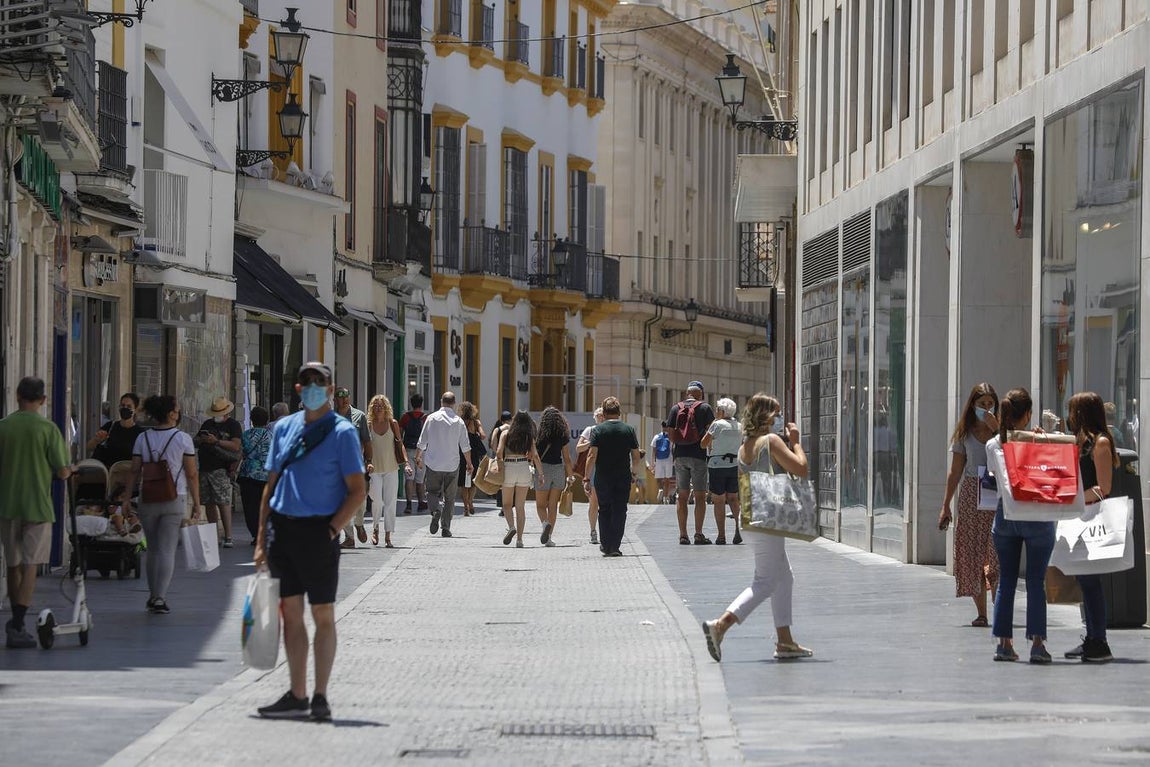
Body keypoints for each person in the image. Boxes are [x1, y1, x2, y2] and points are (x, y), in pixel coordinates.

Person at [254, 362, 366, 721]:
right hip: (283, 530)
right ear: (298, 390)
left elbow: (357, 491)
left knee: (323, 614)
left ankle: (320, 695)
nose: (314, 387)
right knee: (290, 615)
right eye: (307, 382)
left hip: (319, 531)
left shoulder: (342, 432)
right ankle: (297, 693)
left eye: (321, 382)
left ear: (332, 389)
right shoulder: (284, 428)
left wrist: (332, 530)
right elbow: (270, 487)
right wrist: (260, 539)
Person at [701, 393, 812, 662]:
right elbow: (801, 469)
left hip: (752, 516)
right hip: (766, 520)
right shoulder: (770, 441)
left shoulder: (745, 445)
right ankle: (720, 626)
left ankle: (785, 641)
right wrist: (796, 442)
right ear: (764, 416)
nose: (778, 419)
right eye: (775, 413)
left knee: (784, 578)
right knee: (765, 582)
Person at [0, 377, 75, 648]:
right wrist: (67, 471)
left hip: (7, 504)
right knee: (32, 563)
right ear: (43, 400)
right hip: (37, 506)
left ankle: (15, 622)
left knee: (13, 563)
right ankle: (18, 622)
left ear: (17, 395)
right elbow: (62, 469)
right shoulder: (48, 429)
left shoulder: (4, 427)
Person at [988, 387, 1055, 664]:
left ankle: (1004, 643)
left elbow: (995, 477)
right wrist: (1043, 441)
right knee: (1036, 581)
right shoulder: (1038, 441)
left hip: (1006, 515)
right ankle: (1037, 644)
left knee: (1006, 580)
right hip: (1037, 515)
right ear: (1027, 414)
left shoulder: (993, 444)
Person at [124, 395, 200, 614]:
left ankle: (152, 594)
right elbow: (192, 473)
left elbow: (134, 470)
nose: (179, 413)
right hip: (175, 498)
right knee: (167, 549)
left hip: (148, 497)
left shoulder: (142, 438)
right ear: (170, 414)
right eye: (177, 410)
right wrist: (197, 503)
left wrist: (127, 498)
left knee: (154, 549)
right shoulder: (183, 439)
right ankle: (160, 597)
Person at [938, 383, 1001, 627]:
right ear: (972, 405)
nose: (986, 408)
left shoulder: (1003, 432)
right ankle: (982, 613)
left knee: (997, 552)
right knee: (972, 551)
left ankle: (999, 609)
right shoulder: (964, 434)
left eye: (989, 403)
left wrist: (998, 432)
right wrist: (946, 505)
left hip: (996, 494)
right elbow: (954, 472)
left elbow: (1013, 454)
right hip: (972, 494)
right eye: (981, 404)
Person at [1063, 392, 1118, 663]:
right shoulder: (1083, 442)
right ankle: (1093, 637)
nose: (1069, 417)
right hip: (1080, 517)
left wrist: (1075, 498)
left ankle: (1099, 641)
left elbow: (1104, 487)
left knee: (1091, 582)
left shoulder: (1101, 443)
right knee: (1085, 581)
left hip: (1093, 517)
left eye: (1072, 411)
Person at [582, 397, 641, 557]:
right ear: (619, 412)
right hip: (622, 476)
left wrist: (586, 478)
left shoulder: (598, 430)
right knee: (620, 510)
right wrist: (634, 474)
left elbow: (591, 456)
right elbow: (636, 456)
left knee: (605, 509)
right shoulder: (628, 430)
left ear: (604, 412)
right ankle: (615, 546)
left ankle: (605, 544)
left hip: (603, 477)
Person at [414, 392, 472, 538]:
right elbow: (465, 446)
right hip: (452, 465)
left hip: (434, 464)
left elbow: (422, 441)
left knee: (432, 492)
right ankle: (446, 528)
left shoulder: (431, 418)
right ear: (454, 403)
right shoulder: (459, 421)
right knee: (450, 498)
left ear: (441, 401)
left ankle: (435, 511)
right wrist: (470, 463)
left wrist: (418, 457)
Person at [667, 381, 716, 545]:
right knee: (700, 496)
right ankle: (698, 533)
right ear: (700, 393)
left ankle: (683, 535)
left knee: (682, 496)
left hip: (680, 456)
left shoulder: (676, 408)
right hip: (699, 455)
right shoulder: (705, 408)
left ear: (687, 393)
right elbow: (712, 431)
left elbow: (671, 434)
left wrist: (680, 445)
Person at [194, 397, 243, 548]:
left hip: (221, 469)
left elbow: (235, 446)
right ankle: (213, 535)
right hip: (205, 469)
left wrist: (216, 441)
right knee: (209, 503)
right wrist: (202, 440)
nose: (217, 416)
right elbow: (195, 440)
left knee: (223, 503)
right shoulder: (207, 424)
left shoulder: (233, 425)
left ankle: (228, 536)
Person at [494, 411, 545, 547]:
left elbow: (499, 452)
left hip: (509, 466)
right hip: (523, 467)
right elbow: (535, 456)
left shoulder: (506, 434)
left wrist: (499, 466)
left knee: (506, 505)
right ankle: (520, 540)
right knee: (520, 506)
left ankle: (511, 527)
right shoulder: (528, 437)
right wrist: (540, 474)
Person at [366, 394, 411, 547]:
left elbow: (400, 445)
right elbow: (364, 445)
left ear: (386, 408)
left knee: (391, 502)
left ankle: (388, 535)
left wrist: (406, 463)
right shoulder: (369, 424)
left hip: (391, 468)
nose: (378, 408)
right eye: (375, 406)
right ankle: (375, 527)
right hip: (374, 469)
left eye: (381, 405)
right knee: (377, 501)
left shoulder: (393, 423)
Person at [334, 386, 372, 548]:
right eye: (340, 397)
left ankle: (359, 522)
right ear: (335, 399)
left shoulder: (359, 416)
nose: (343, 400)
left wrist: (369, 460)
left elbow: (367, 441)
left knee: (360, 501)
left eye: (346, 397)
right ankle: (349, 537)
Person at [701, 398, 742, 545]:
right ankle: (738, 527)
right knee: (733, 498)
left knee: (719, 500)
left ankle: (721, 535)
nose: (716, 411)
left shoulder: (717, 425)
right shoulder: (739, 426)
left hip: (717, 465)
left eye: (717, 409)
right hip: (734, 465)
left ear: (722, 411)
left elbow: (703, 443)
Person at [535, 406, 573, 547]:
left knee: (540, 505)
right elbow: (567, 458)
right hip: (558, 470)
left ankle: (545, 525)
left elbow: (534, 455)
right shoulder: (562, 435)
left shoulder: (539, 434)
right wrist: (570, 476)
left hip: (542, 470)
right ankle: (549, 538)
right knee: (552, 506)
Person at [239, 406, 273, 544]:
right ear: (267, 420)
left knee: (250, 507)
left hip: (248, 475)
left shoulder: (246, 435)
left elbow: (240, 453)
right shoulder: (272, 436)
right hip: (267, 476)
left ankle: (256, 535)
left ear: (252, 420)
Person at [86, 392, 143, 468]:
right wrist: (97, 440)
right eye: (122, 405)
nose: (125, 408)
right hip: (106, 474)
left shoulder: (139, 433)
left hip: (126, 475)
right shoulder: (110, 426)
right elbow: (89, 447)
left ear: (135, 410)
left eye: (129, 406)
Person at [576, 408, 605, 545]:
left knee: (604, 503)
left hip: (605, 468)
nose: (601, 417)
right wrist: (592, 442)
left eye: (603, 415)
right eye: (599, 415)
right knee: (593, 503)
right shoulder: (590, 430)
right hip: (592, 470)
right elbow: (578, 448)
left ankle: (605, 532)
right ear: (595, 417)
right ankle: (593, 531)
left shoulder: (608, 430)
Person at [398, 394, 428, 514]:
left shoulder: (405, 417)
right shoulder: (425, 418)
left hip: (408, 449)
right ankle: (421, 502)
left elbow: (399, 435)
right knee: (420, 479)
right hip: (421, 451)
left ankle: (409, 504)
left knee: (409, 478)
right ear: (421, 404)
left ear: (411, 403)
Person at [456, 402, 485, 516]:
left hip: (462, 451)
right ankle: (470, 502)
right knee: (473, 480)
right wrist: (476, 432)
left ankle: (465, 507)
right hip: (473, 452)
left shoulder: (460, 422)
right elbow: (483, 436)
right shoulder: (476, 422)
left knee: (464, 482)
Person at [488, 410, 513, 508]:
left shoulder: (498, 430)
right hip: (511, 458)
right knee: (510, 482)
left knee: (500, 481)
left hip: (500, 458)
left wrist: (497, 453)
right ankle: (509, 504)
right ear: (511, 420)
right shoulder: (513, 429)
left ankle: (501, 504)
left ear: (501, 420)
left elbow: (493, 444)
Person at [649, 421, 675, 504]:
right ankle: (666, 497)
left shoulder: (656, 437)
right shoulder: (671, 437)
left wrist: (652, 462)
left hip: (659, 459)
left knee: (659, 478)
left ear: (662, 426)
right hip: (669, 459)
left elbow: (654, 451)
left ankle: (660, 489)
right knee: (667, 479)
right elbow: (673, 449)